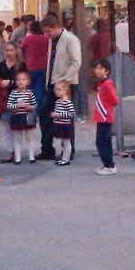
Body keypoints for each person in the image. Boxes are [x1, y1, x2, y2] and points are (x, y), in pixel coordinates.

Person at [36, 14, 81, 161]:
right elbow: (52, 61)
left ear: (56, 27)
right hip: (53, 83)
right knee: (45, 114)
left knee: (66, 116)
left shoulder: (70, 39)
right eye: (45, 31)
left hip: (66, 85)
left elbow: (76, 62)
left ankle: (68, 150)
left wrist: (66, 81)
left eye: (48, 31)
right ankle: (47, 148)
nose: (46, 34)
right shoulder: (52, 40)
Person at [0, 40, 24, 163]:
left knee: (17, 127)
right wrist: (0, 83)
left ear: (16, 51)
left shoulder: (21, 65)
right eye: (6, 50)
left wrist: (10, 82)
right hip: (4, 98)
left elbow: (24, 81)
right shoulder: (1, 65)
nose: (8, 53)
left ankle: (17, 151)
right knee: (6, 126)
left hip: (18, 97)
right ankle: (10, 152)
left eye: (11, 50)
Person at [91, 59, 119, 174]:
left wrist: (109, 108)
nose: (97, 71)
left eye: (100, 69)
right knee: (104, 141)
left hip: (105, 116)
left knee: (101, 141)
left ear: (107, 71)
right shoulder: (101, 83)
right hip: (101, 117)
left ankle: (109, 165)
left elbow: (115, 100)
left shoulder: (107, 83)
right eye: (96, 68)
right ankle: (108, 164)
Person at [18, 19, 49, 113]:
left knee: (28, 88)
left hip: (30, 66)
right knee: (39, 88)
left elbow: (20, 50)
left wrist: (22, 61)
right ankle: (38, 110)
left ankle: (28, 108)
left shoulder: (28, 38)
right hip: (43, 66)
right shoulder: (46, 39)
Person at [7, 70, 38, 164]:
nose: (21, 81)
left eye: (23, 79)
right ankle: (18, 158)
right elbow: (9, 106)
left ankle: (31, 157)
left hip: (27, 117)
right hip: (17, 118)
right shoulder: (13, 93)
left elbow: (35, 105)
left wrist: (30, 107)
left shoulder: (30, 93)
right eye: (18, 80)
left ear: (27, 82)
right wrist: (17, 106)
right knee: (17, 138)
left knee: (29, 137)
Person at [51, 80, 77, 166]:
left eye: (59, 90)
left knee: (66, 142)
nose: (56, 92)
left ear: (65, 90)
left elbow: (71, 114)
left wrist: (58, 115)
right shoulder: (57, 102)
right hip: (60, 124)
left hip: (66, 125)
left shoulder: (67, 102)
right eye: (55, 90)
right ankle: (64, 158)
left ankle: (66, 159)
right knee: (63, 142)